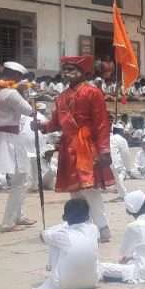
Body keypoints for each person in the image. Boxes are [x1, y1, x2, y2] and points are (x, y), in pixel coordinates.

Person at [36, 55, 116, 243]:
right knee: (74, 191)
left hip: (86, 146)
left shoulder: (93, 92)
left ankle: (102, 228)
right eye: (65, 69)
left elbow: (101, 123)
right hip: (68, 147)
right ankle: (82, 227)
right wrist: (42, 126)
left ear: (83, 72)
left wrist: (104, 149)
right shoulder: (61, 97)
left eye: (71, 69)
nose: (67, 73)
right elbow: (56, 123)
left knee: (90, 189)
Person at [0, 61, 38, 232]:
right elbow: (30, 111)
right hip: (9, 138)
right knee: (20, 179)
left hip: (4, 136)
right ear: (15, 76)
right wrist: (24, 92)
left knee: (22, 178)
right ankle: (9, 222)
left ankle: (18, 215)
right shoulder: (11, 93)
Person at [100, 190, 145, 284]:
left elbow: (123, 254)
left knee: (102, 267)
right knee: (134, 258)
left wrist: (127, 258)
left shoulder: (133, 226)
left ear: (128, 210)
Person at [34, 199, 101, 289]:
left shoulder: (62, 233)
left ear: (64, 217)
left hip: (65, 286)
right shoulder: (94, 228)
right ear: (87, 217)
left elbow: (42, 236)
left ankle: (50, 268)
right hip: (93, 281)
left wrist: (61, 225)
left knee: (53, 243)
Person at [109, 124, 132, 201]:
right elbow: (126, 154)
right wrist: (128, 169)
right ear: (121, 131)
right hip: (114, 164)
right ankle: (124, 195)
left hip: (103, 162)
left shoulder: (109, 137)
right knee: (122, 172)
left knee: (117, 177)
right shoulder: (121, 139)